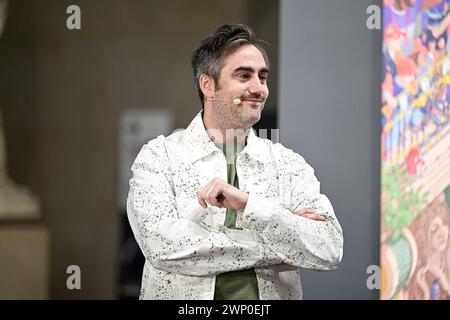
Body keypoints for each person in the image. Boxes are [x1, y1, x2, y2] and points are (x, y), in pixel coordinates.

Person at [127, 24, 343, 300]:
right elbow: (161, 247)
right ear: (208, 85)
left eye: (262, 77)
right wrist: (281, 241)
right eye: (244, 76)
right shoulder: (159, 157)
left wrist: (247, 204)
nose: (258, 88)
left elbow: (329, 247)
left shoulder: (288, 164)